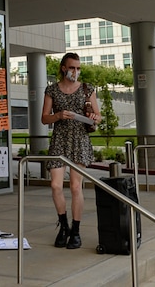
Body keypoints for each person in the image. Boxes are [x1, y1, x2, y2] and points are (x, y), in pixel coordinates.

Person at [41, 52, 100, 250]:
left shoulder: (86, 89)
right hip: (59, 139)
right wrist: (58, 115)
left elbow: (98, 116)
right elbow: (44, 118)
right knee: (55, 185)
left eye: (78, 68)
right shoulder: (52, 90)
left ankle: (75, 230)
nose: (75, 71)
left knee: (76, 187)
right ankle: (63, 225)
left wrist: (94, 117)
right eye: (72, 68)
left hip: (79, 139)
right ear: (63, 68)